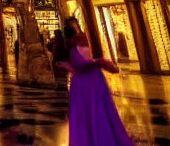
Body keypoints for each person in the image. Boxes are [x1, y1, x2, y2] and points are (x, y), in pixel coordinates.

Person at [54, 18, 132, 146]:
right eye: (78, 30)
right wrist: (100, 62)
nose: (82, 33)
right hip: (88, 83)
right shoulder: (75, 48)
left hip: (86, 83)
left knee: (92, 113)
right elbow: (80, 63)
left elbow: (70, 64)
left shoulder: (72, 49)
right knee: (94, 113)